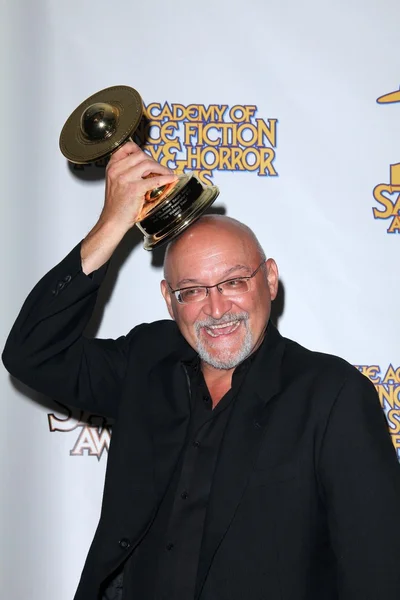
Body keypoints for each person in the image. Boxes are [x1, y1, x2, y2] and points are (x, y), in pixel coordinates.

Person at [3, 141, 400, 600]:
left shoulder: (331, 395)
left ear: (269, 279)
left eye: (234, 282)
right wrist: (112, 224)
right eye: (191, 291)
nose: (216, 308)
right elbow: (31, 354)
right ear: (169, 300)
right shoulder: (145, 359)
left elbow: (378, 572)